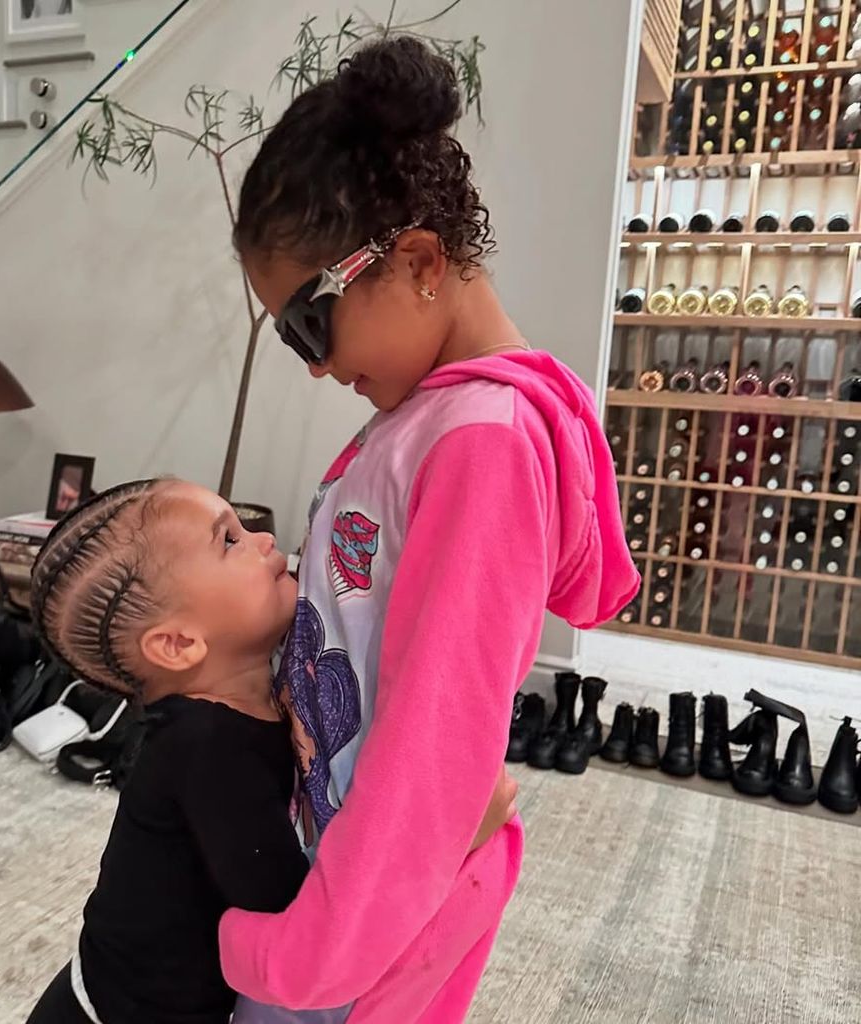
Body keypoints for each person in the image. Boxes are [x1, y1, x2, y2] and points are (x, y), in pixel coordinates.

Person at [218, 36, 640, 1023]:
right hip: (348, 884)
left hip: (364, 935)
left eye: (306, 325)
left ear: (414, 259)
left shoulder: (476, 445)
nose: (311, 366)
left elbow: (436, 742)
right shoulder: (426, 420)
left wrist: (301, 953)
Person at [24, 478, 516, 1024]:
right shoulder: (210, 754)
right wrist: (453, 843)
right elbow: (305, 924)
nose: (262, 538)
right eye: (230, 540)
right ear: (179, 643)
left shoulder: (264, 685)